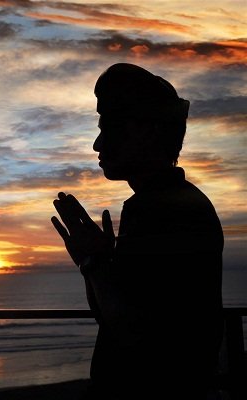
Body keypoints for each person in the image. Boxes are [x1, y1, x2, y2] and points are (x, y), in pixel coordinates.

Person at [51, 63, 223, 399]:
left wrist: (94, 264)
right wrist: (97, 263)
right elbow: (114, 316)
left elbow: (132, 332)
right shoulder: (165, 203)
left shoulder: (163, 209)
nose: (97, 145)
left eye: (110, 128)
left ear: (147, 132)